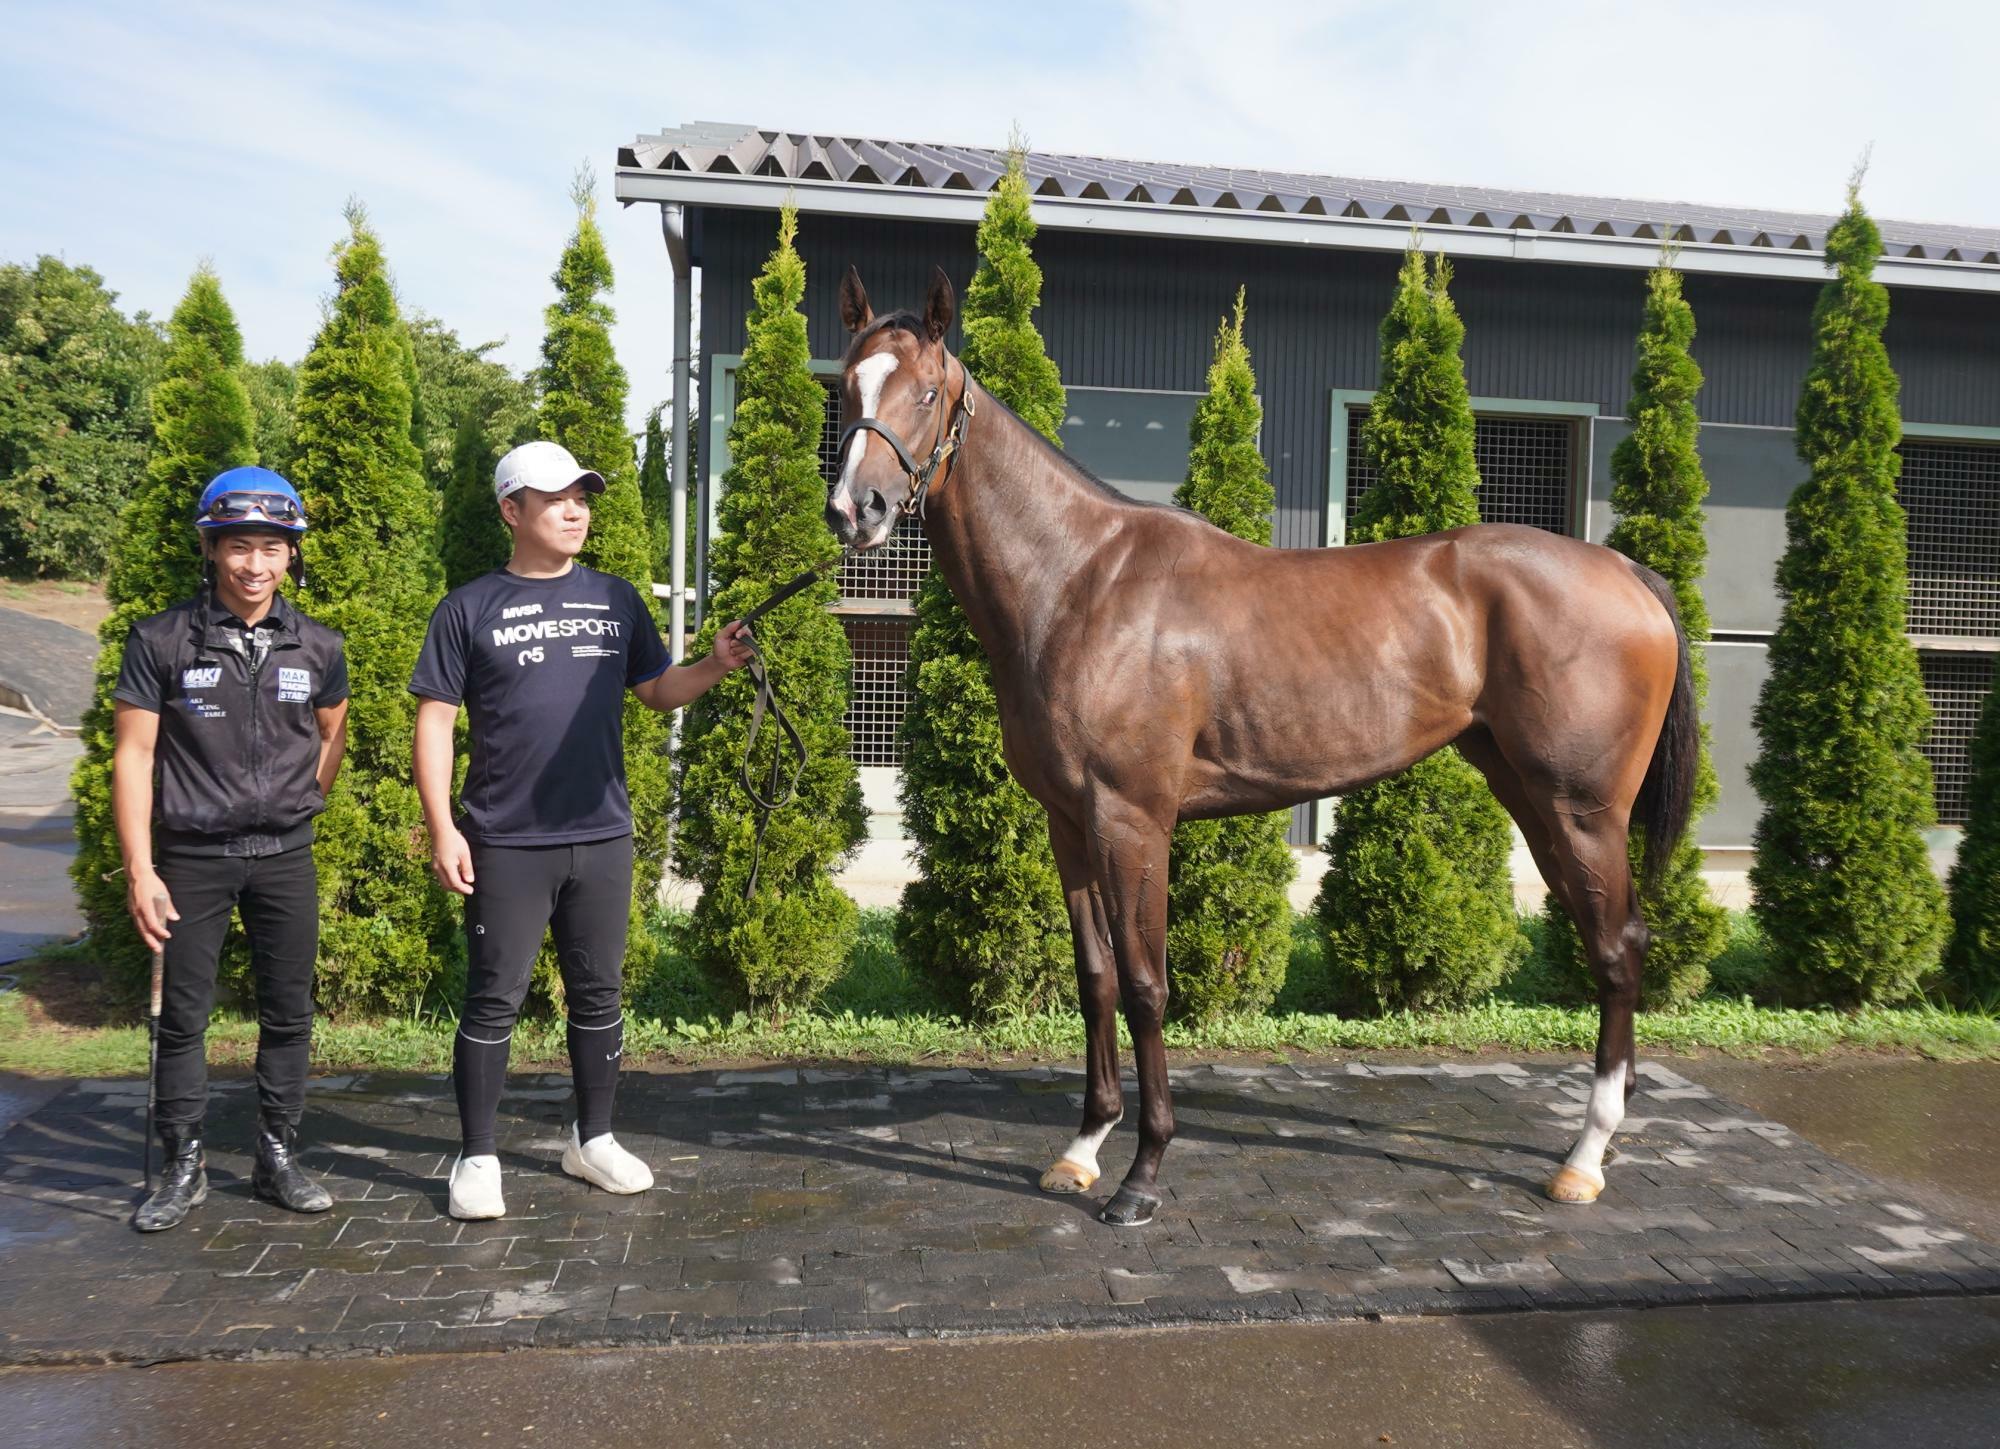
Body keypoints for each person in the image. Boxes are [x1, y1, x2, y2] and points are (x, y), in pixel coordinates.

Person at [410, 440, 752, 1220]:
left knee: (598, 992)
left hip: (600, 835)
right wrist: (443, 827)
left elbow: (658, 691)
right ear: (511, 510)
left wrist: (715, 664)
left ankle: (591, 1139)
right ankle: (478, 1155)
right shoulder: (468, 608)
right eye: (556, 497)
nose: (574, 509)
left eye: (582, 497)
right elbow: (435, 721)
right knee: (493, 998)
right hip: (505, 837)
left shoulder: (616, 598)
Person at [113, 467, 349, 1232]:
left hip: (284, 854)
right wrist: (142, 869)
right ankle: (183, 1162)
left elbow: (331, 731)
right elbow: (133, 757)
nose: (255, 564)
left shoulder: (318, 645)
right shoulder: (160, 639)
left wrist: (298, 799)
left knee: (288, 1012)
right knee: (182, 1018)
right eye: (239, 546)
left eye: (272, 548)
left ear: (292, 555)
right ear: (212, 550)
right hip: (191, 858)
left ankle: (277, 1152)